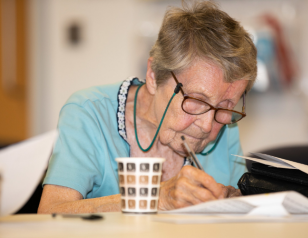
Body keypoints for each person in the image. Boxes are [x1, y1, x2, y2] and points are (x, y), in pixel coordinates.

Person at [38, 0, 257, 214]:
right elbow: (50, 214)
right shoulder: (89, 113)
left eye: (226, 106)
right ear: (153, 76)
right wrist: (156, 198)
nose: (208, 125)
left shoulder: (225, 126)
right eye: (197, 101)